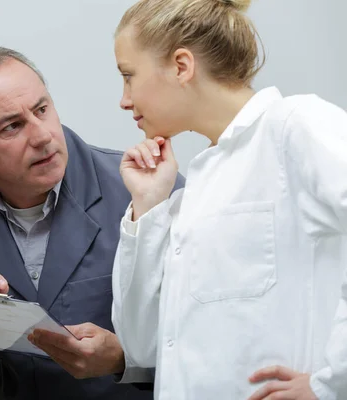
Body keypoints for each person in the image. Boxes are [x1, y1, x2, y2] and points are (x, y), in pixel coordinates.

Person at [0, 46, 185, 400]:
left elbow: (215, 348)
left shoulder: (151, 191)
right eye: (12, 126)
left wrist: (123, 360)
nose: (42, 136)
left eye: (41, 109)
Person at [111, 0, 347, 399]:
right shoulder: (193, 194)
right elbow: (141, 345)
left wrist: (331, 383)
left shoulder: (295, 125)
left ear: (182, 66)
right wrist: (148, 207)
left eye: (128, 76)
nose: (124, 98)